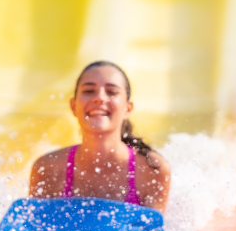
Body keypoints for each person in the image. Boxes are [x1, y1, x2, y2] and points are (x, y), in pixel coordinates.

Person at [29, 61, 170, 211]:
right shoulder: (48, 168)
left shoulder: (151, 170)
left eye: (112, 92)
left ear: (128, 109)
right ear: (73, 106)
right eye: (89, 91)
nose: (99, 98)